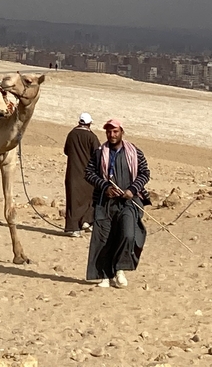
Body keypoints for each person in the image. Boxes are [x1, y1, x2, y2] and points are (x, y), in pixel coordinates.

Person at [84, 118, 151, 289]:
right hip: (105, 202)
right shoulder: (100, 152)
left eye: (115, 131)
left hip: (129, 202)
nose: (112, 135)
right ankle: (104, 275)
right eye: (109, 132)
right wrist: (105, 186)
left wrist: (132, 190)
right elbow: (89, 173)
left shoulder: (135, 152)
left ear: (122, 132)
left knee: (128, 234)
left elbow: (144, 173)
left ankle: (120, 269)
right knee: (103, 239)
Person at [63, 112, 100, 237]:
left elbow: (66, 151)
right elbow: (98, 155)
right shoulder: (92, 137)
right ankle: (85, 222)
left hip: (72, 173)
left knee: (73, 200)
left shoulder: (71, 134)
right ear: (89, 124)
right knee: (90, 198)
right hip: (88, 175)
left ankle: (75, 227)